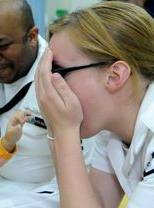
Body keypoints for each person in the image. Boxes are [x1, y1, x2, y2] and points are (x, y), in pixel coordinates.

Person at [0, 0, 95, 207]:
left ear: (32, 36)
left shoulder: (64, 78)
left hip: (42, 193)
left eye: (1, 45)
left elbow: (84, 177)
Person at [35, 1, 154, 207]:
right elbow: (96, 202)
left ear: (115, 76)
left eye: (59, 72)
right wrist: (55, 129)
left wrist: (65, 130)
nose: (50, 88)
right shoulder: (111, 130)